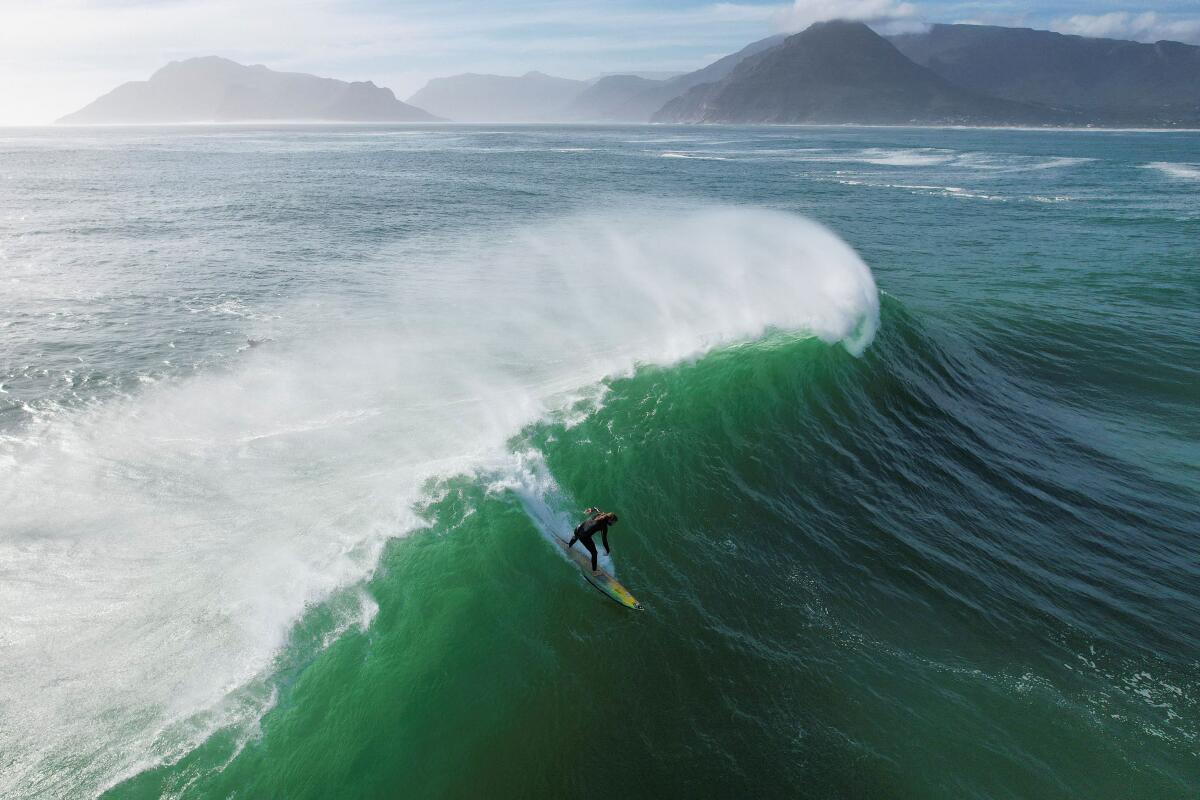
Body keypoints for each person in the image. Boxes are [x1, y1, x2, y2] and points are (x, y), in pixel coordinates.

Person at [568, 507, 619, 575]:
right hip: (583, 536)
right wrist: (607, 550)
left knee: (576, 536)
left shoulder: (600, 514)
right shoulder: (604, 526)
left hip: (577, 528)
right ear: (610, 520)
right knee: (594, 553)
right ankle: (594, 572)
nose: (613, 524)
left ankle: (569, 546)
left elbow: (596, 508)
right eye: (613, 522)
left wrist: (591, 509)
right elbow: (604, 540)